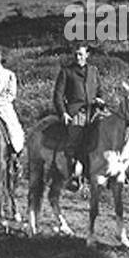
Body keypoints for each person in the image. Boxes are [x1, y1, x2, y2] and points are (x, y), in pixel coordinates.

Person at [52, 41, 103, 191]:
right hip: (76, 111)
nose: (78, 57)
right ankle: (73, 174)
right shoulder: (66, 72)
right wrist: (64, 113)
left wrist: (100, 99)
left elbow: (100, 90)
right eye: (75, 54)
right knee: (75, 136)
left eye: (81, 54)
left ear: (87, 55)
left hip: (94, 109)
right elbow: (58, 96)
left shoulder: (93, 71)